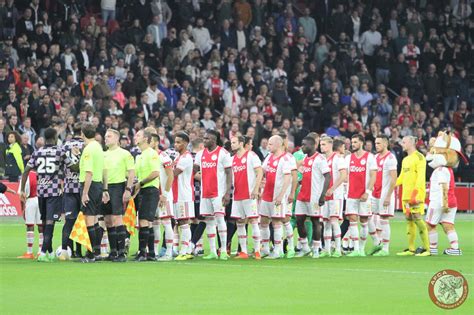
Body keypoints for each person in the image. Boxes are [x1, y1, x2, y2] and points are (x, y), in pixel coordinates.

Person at [20, 128, 76, 262]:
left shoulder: (37, 152)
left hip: (41, 191)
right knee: (50, 221)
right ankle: (44, 252)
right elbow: (73, 167)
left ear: (44, 138)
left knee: (44, 220)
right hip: (54, 191)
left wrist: (22, 189)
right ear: (56, 137)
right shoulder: (60, 151)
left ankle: (49, 251)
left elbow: (26, 170)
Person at [193, 129, 232, 260]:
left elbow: (228, 173)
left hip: (218, 193)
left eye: (206, 139)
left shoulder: (223, 153)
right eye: (203, 138)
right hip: (205, 193)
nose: (204, 141)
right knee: (209, 221)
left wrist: (227, 192)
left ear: (214, 140)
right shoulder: (200, 154)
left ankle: (223, 251)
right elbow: (195, 170)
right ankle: (213, 252)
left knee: (220, 220)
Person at [294, 136, 330, 258]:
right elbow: (306, 174)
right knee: (299, 220)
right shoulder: (305, 158)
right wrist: (300, 181)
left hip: (314, 196)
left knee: (315, 221)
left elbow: (328, 176)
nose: (302, 147)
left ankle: (315, 248)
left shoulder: (320, 159)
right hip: (302, 195)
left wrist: (323, 195)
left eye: (304, 145)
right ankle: (304, 247)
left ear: (312, 145)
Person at [102, 129, 135, 262]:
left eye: (109, 136)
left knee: (117, 219)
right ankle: (113, 251)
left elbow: (131, 172)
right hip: (105, 188)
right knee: (108, 221)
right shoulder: (103, 154)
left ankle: (122, 252)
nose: (106, 138)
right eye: (105, 136)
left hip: (118, 186)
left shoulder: (124, 153)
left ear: (117, 139)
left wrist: (128, 189)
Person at [395, 136, 430, 257]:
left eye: (404, 142)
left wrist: (415, 193)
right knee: (409, 219)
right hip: (406, 195)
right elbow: (402, 177)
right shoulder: (405, 160)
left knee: (417, 217)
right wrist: (390, 184)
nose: (402, 144)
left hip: (416, 194)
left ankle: (427, 249)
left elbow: (421, 177)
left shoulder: (420, 157)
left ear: (411, 143)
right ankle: (411, 249)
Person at [230, 135, 263, 259]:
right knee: (239, 222)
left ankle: (257, 251)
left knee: (254, 221)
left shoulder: (251, 156)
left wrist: (256, 189)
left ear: (241, 143)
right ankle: (243, 252)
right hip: (237, 195)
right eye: (231, 142)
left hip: (249, 194)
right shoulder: (232, 159)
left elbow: (259, 172)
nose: (232, 145)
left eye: (234, 142)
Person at [259, 135, 292, 259]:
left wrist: (281, 195)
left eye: (271, 144)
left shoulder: (285, 159)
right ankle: (266, 249)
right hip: (266, 194)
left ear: (278, 145)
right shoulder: (269, 157)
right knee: (263, 221)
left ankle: (278, 250)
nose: (268, 146)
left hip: (277, 196)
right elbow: (262, 171)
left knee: (276, 222)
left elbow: (288, 178)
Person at [345, 134, 377, 257]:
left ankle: (362, 249)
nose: (353, 144)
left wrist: (368, 192)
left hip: (364, 195)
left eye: (355, 142)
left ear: (361, 143)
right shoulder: (349, 158)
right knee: (352, 220)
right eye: (352, 142)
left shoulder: (370, 157)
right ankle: (356, 249)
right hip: (351, 195)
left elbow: (373, 176)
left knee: (364, 221)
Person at [79, 123, 105, 263]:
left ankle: (90, 254)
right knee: (94, 220)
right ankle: (97, 251)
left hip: (90, 185)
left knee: (89, 221)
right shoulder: (98, 146)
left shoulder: (88, 149)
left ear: (82, 134)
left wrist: (85, 192)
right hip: (98, 184)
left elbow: (88, 172)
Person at [133, 128, 160, 261]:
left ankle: (142, 253)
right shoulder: (139, 155)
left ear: (145, 139)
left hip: (150, 190)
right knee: (147, 222)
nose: (135, 137)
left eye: (138, 135)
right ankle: (151, 253)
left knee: (144, 220)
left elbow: (155, 173)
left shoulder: (151, 153)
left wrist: (140, 183)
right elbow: (136, 175)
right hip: (143, 190)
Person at [59, 123, 84, 260]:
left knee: (69, 221)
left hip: (69, 188)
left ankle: (66, 251)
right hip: (82, 189)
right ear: (82, 132)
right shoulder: (86, 146)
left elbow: (60, 167)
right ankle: (79, 252)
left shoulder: (64, 146)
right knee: (81, 221)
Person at [149, 130, 174, 262]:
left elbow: (171, 175)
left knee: (166, 222)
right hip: (153, 195)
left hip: (164, 195)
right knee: (155, 223)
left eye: (151, 141)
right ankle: (156, 251)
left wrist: (165, 194)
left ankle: (169, 252)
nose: (149, 143)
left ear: (157, 142)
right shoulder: (149, 156)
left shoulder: (163, 156)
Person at [370, 135, 397, 257]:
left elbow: (393, 179)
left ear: (385, 144)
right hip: (374, 193)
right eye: (375, 143)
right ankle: (378, 242)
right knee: (367, 217)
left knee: (384, 220)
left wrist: (388, 196)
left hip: (384, 194)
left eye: (379, 143)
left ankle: (385, 248)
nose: (376, 145)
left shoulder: (390, 158)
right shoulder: (375, 157)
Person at [320, 137, 347, 258]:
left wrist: (333, 188)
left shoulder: (337, 159)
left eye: (324, 144)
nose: (321, 147)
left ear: (331, 145)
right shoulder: (322, 159)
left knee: (334, 221)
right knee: (325, 222)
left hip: (335, 195)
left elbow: (343, 175)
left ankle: (337, 248)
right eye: (320, 144)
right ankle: (327, 249)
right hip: (324, 196)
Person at [172, 132, 196, 261]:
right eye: (175, 142)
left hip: (184, 194)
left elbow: (174, 173)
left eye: (178, 142)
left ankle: (185, 251)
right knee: (180, 222)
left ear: (185, 143)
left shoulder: (186, 157)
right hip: (177, 194)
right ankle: (183, 250)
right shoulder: (178, 157)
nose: (176, 144)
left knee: (184, 222)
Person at [17, 170, 43, 259]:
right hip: (41, 200)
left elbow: (21, 194)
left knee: (30, 225)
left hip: (30, 200)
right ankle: (40, 251)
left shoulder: (26, 175)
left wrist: (22, 207)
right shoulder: (43, 172)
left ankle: (29, 252)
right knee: (41, 225)